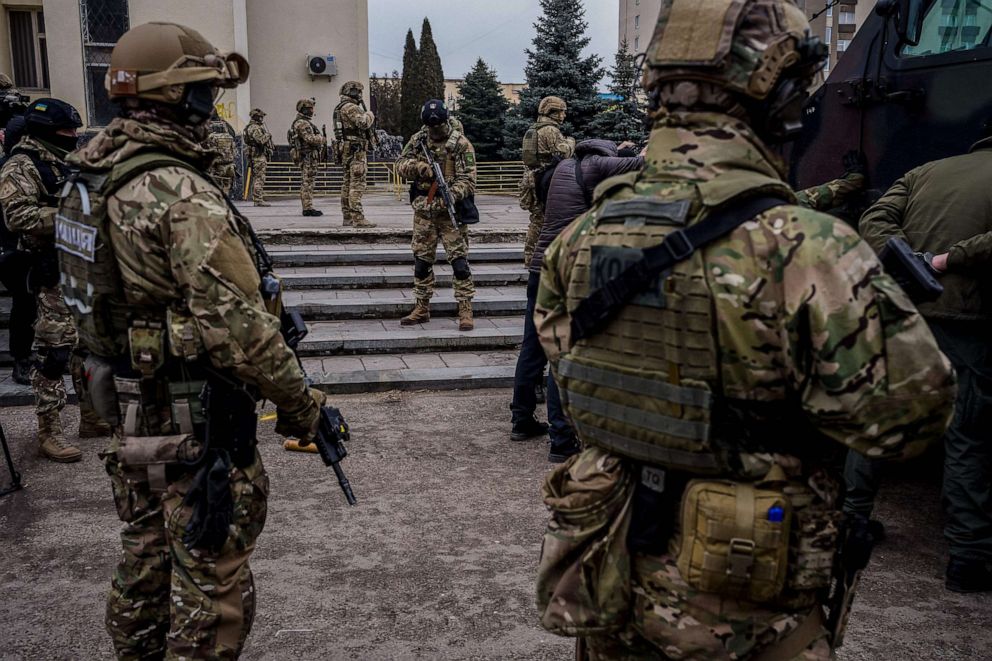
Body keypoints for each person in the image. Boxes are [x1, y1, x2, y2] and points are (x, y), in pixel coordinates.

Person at [533, 1, 956, 658]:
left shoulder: (581, 238)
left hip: (612, 573)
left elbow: (568, 365)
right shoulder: (805, 246)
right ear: (779, 95)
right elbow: (909, 417)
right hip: (744, 601)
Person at [55, 22, 329, 658]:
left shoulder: (90, 175)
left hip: (126, 399)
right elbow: (242, 332)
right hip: (194, 414)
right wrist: (303, 408)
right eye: (205, 88)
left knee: (146, 552)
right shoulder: (178, 191)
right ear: (176, 95)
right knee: (213, 578)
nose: (214, 101)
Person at [859, 124, 992, 593]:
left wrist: (908, 259)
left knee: (877, 419)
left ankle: (851, 527)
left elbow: (874, 219)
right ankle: (969, 556)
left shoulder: (924, 172)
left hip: (905, 312)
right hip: (968, 321)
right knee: (966, 437)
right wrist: (947, 259)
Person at [511, 139, 643, 463]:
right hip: (565, 270)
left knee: (533, 347)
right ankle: (561, 440)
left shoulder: (563, 168)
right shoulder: (596, 166)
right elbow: (642, 164)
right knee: (562, 352)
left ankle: (521, 419)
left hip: (539, 268)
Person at [0, 98, 111, 462]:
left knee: (89, 349)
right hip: (50, 274)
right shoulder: (20, 166)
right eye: (66, 132)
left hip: (82, 270)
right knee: (54, 354)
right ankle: (49, 431)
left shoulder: (63, 161)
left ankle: (91, 419)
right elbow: (19, 217)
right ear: (45, 131)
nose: (73, 137)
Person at [395, 100, 477, 331]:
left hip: (451, 212)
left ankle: (465, 307)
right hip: (424, 211)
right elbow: (400, 164)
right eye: (431, 127)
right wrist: (418, 167)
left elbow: (469, 179)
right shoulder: (419, 139)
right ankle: (422, 307)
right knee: (422, 262)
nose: (435, 132)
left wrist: (452, 193)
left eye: (439, 126)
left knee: (460, 263)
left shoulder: (460, 144)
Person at [0, 82, 36, 386]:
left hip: (26, 248)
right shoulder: (11, 170)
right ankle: (21, 360)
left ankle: (29, 357)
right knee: (24, 306)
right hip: (14, 249)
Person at [520, 96, 575, 266]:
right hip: (544, 179)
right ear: (553, 112)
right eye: (561, 111)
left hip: (532, 177)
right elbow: (563, 152)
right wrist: (571, 141)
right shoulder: (550, 130)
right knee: (543, 219)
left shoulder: (534, 129)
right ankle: (536, 257)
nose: (564, 115)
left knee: (536, 218)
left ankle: (530, 256)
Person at [334, 80, 377, 227]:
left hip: (348, 149)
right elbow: (363, 123)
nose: (360, 95)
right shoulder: (351, 107)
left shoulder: (341, 107)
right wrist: (370, 115)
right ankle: (358, 218)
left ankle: (347, 216)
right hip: (356, 151)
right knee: (357, 184)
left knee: (347, 183)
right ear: (352, 92)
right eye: (359, 92)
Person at [289, 97, 326, 216]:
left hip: (309, 156)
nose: (312, 111)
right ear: (304, 109)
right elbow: (310, 139)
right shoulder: (302, 123)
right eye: (310, 108)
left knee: (309, 182)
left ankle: (308, 206)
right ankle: (307, 208)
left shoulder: (303, 122)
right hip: (308, 156)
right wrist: (322, 139)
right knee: (307, 182)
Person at [243, 107, 273, 206]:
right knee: (259, 177)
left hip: (255, 154)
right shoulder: (255, 127)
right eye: (261, 117)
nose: (262, 119)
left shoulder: (250, 126)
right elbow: (260, 140)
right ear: (257, 117)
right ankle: (258, 200)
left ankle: (257, 198)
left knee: (257, 177)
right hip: (258, 155)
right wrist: (268, 135)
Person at [205, 110, 236, 195]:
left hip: (213, 162)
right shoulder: (224, 125)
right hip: (228, 161)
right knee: (226, 183)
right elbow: (233, 135)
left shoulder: (205, 125)